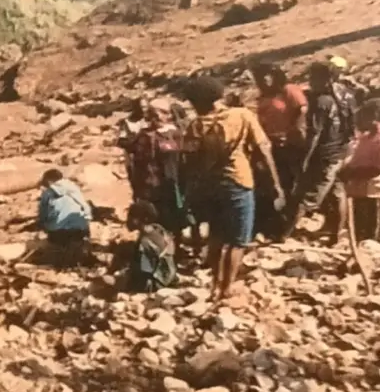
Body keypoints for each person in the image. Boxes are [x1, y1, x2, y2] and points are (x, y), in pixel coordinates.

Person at [182, 76, 284, 301]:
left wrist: (190, 194)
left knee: (216, 236)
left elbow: (189, 163)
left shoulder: (196, 125)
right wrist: (276, 184)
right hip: (239, 182)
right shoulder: (242, 116)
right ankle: (227, 288)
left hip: (209, 186)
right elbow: (263, 150)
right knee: (238, 240)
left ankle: (214, 287)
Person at [284, 62, 357, 242]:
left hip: (325, 154)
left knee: (308, 195)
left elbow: (314, 134)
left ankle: (283, 234)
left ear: (326, 79)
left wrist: (305, 159)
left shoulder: (321, 101)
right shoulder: (347, 94)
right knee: (337, 191)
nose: (311, 82)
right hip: (342, 150)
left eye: (313, 78)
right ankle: (336, 234)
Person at [337, 98, 380, 278]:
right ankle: (355, 258)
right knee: (358, 228)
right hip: (360, 190)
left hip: (376, 192)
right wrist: (348, 170)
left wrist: (354, 174)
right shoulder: (367, 138)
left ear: (374, 117)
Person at [253, 63, 308, 239]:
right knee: (271, 183)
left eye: (266, 76)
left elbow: (302, 110)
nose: (263, 80)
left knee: (289, 183)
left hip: (288, 145)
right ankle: (273, 223)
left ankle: (287, 225)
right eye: (259, 77)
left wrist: (292, 132)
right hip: (269, 144)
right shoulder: (263, 96)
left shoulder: (289, 90)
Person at [125, 97, 189, 241]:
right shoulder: (142, 135)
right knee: (151, 219)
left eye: (163, 112)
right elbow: (134, 161)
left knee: (172, 219)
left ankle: (172, 251)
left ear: (169, 115)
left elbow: (183, 160)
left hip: (171, 185)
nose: (158, 117)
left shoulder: (176, 135)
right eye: (154, 113)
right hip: (148, 186)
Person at [114, 200, 177, 293]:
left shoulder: (145, 243)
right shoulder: (158, 230)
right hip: (168, 276)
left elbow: (145, 272)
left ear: (143, 219)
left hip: (154, 283)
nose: (128, 220)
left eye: (132, 217)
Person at [37, 168, 92, 259]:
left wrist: (43, 225)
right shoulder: (74, 188)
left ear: (49, 181)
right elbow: (86, 209)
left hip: (60, 233)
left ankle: (60, 251)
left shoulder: (48, 193)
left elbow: (43, 215)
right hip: (80, 230)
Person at [118, 98, 150, 199]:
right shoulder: (127, 122)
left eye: (146, 106)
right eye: (142, 107)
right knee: (137, 187)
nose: (144, 109)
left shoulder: (150, 119)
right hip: (133, 160)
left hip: (149, 160)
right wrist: (138, 138)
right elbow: (122, 141)